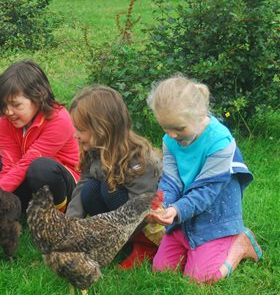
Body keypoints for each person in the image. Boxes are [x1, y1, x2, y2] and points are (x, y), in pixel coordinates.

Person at [147, 75, 262, 283]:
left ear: (200, 115)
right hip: (183, 216)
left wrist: (175, 210)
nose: (172, 135)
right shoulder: (170, 140)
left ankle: (240, 245)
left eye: (179, 128)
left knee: (200, 279)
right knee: (161, 270)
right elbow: (171, 180)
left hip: (214, 217)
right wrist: (162, 203)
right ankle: (190, 244)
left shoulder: (220, 143)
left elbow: (205, 191)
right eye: (165, 127)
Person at [66, 85, 164, 269]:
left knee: (108, 188)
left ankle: (143, 247)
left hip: (143, 225)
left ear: (102, 128)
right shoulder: (95, 151)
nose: (75, 135)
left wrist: (109, 241)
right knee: (90, 188)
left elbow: (141, 210)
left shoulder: (141, 160)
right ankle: (114, 242)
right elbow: (82, 187)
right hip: (117, 221)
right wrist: (70, 227)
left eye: (80, 129)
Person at [0, 59, 79, 212]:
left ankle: (58, 214)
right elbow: (10, 164)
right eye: (4, 105)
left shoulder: (59, 119)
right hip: (27, 177)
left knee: (40, 167)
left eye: (16, 105)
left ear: (38, 97)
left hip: (60, 183)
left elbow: (28, 162)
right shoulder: (5, 122)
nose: (8, 111)